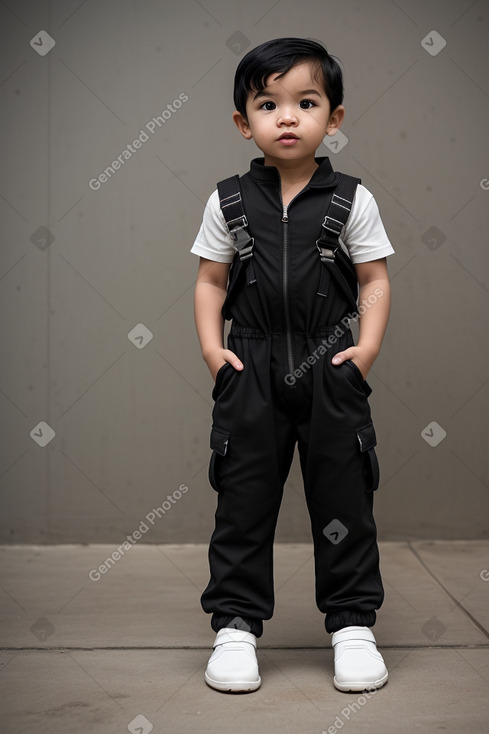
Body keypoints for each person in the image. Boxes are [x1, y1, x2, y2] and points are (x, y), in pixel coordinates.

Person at [191, 37, 394, 694]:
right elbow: (210, 281)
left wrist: (363, 351)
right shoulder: (226, 200)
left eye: (304, 103)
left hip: (330, 366)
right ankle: (235, 628)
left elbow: (374, 278)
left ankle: (352, 625)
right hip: (248, 366)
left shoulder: (351, 200)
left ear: (332, 117)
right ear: (241, 121)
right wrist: (211, 349)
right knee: (243, 500)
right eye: (267, 104)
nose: (286, 117)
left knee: (343, 498)